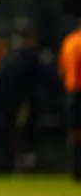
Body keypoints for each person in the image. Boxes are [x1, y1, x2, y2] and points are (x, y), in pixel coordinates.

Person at [59, 22, 81, 182]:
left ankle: (75, 167)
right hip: (74, 89)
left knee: (75, 132)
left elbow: (62, 67)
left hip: (73, 90)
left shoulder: (69, 41)